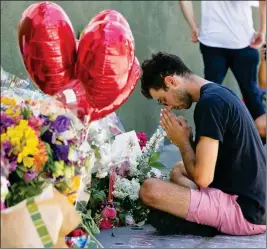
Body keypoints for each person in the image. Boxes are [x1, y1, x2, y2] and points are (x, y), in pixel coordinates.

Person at [139, 52, 266, 236]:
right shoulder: (218, 94)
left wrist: (182, 143)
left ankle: (205, 223)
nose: (168, 107)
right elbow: (208, 165)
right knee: (177, 170)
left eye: (163, 100)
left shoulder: (210, 104)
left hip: (242, 211)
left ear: (171, 81)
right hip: (251, 203)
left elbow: (203, 178)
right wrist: (188, 141)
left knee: (149, 190)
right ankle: (200, 214)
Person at [179, 0, 266, 139]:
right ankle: (260, 151)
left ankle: (203, 147)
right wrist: (262, 31)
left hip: (217, 41)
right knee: (251, 96)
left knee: (208, 97)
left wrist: (193, 26)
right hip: (239, 41)